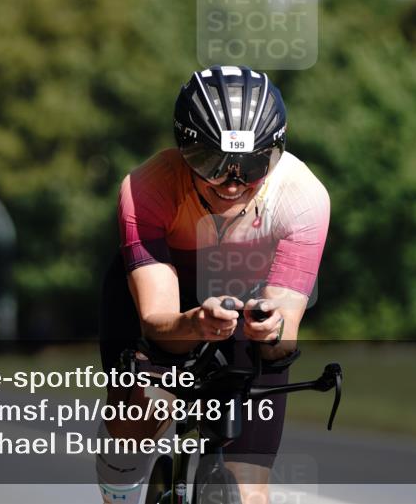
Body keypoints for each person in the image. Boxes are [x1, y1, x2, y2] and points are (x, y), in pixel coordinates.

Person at [97, 65, 330, 504]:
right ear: (183, 148)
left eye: (252, 164)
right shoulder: (147, 186)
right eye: (212, 163)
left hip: (244, 303)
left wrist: (270, 329)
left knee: (248, 493)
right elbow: (156, 319)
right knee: (142, 417)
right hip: (166, 301)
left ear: (276, 153)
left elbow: (281, 339)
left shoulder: (303, 198)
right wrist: (196, 322)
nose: (232, 181)